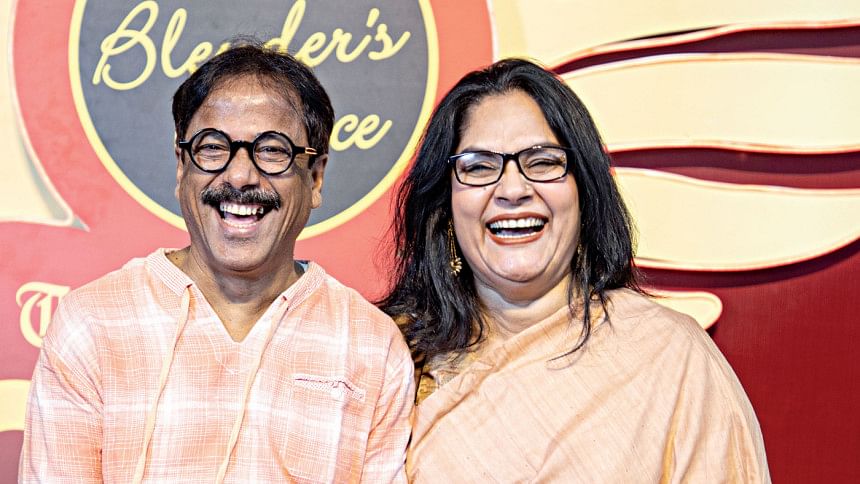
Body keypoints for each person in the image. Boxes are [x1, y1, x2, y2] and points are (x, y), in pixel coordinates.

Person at [20, 43, 414, 483]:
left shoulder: (370, 346)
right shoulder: (92, 324)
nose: (240, 175)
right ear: (180, 167)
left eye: (272, 150)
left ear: (316, 177)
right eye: (213, 147)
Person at [380, 58, 770, 482]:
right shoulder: (388, 360)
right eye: (479, 166)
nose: (512, 189)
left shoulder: (672, 358)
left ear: (584, 192)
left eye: (543, 162)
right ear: (445, 205)